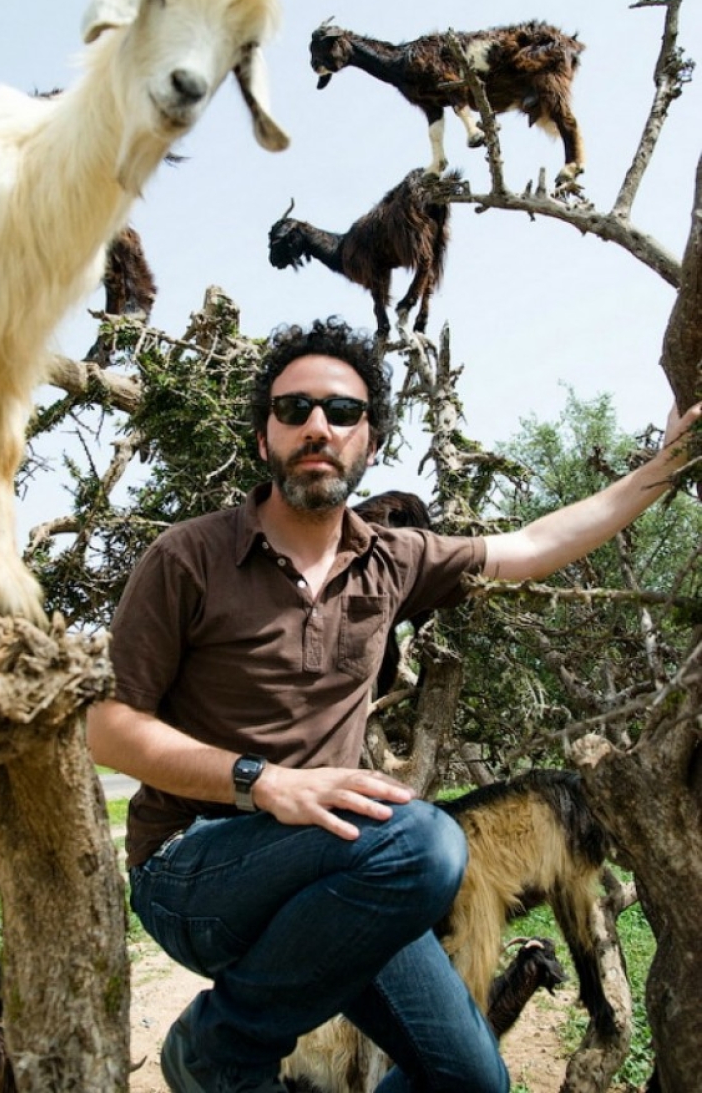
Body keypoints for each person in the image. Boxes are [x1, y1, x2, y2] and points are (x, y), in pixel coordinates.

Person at [87, 317, 700, 1093]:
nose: (317, 426)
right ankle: (221, 1044)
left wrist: (665, 466)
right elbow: (105, 725)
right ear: (261, 440)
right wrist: (264, 782)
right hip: (196, 867)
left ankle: (231, 1041)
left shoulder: (392, 560)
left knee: (474, 1082)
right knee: (427, 842)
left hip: (334, 874)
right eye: (293, 409)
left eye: (341, 412)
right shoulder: (188, 558)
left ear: (369, 442)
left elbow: (534, 544)